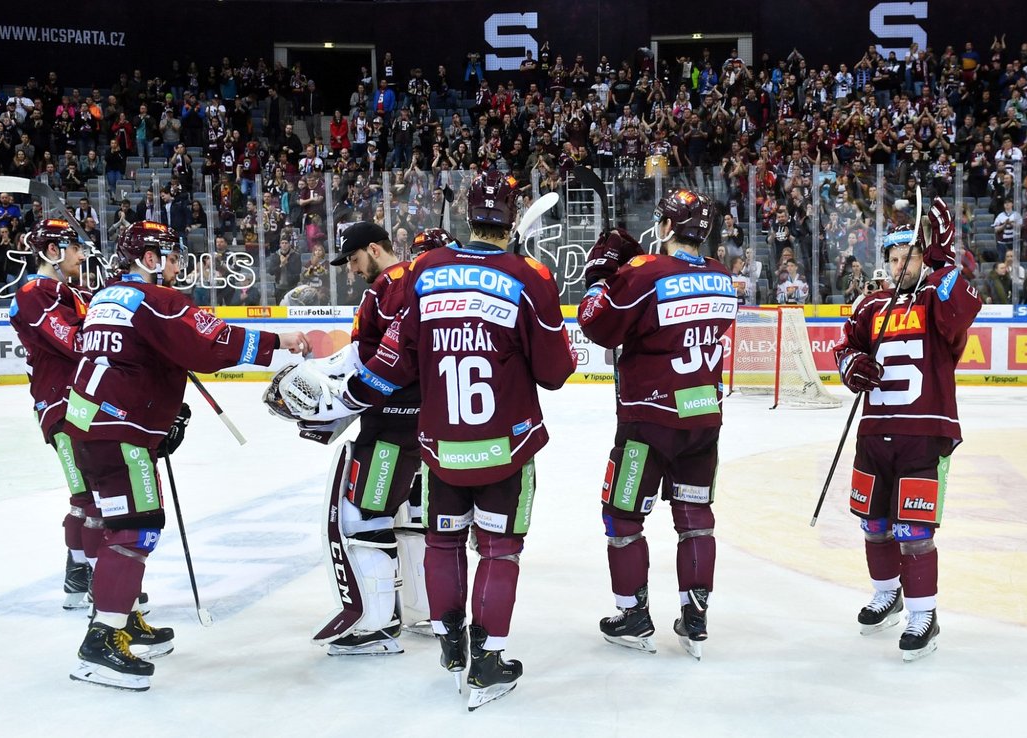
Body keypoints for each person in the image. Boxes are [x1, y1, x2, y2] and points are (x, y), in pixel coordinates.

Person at [279, 171, 576, 710]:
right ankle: (489, 659)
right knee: (499, 550)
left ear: (468, 215)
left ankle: (450, 640)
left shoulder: (427, 272)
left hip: (440, 446)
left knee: (441, 542)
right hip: (506, 446)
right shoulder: (529, 276)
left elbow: (390, 363)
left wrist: (340, 402)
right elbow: (556, 372)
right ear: (511, 219)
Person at [64, 221, 308, 691]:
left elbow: (134, 358)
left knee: (121, 521)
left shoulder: (104, 299)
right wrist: (280, 342)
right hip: (121, 433)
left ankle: (125, 617)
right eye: (173, 256)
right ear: (151, 260)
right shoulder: (158, 301)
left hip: (89, 427)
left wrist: (161, 412)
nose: (178, 266)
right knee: (135, 530)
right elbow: (211, 344)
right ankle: (101, 641)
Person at [577, 190, 735, 660]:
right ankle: (696, 617)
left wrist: (601, 276)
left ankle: (633, 614)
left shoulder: (646, 273)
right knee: (695, 518)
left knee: (622, 516)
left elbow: (597, 324)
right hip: (703, 416)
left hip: (648, 419)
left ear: (668, 226)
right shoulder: (722, 278)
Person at [294, 225, 459, 656]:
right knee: (404, 518)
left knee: (364, 517)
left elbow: (393, 361)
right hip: (405, 420)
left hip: (393, 423)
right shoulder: (393, 288)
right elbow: (363, 353)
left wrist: (344, 398)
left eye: (353, 259)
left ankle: (377, 625)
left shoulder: (400, 287)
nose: (351, 269)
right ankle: (419, 610)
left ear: (373, 249)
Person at [833, 198, 981, 662]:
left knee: (913, 531)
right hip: (875, 433)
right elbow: (844, 348)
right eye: (894, 259)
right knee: (874, 524)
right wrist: (852, 364)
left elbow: (960, 312)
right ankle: (887, 594)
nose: (900, 266)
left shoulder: (937, 297)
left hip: (925, 432)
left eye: (910, 257)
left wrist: (942, 261)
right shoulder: (872, 304)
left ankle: (924, 614)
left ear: (922, 258)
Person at [8, 220, 99, 610]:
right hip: (59, 406)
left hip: (79, 403)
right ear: (51, 253)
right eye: (72, 248)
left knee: (83, 495)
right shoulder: (32, 294)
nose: (80, 254)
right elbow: (78, 342)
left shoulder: (71, 292)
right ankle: (101, 578)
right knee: (95, 495)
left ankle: (78, 575)